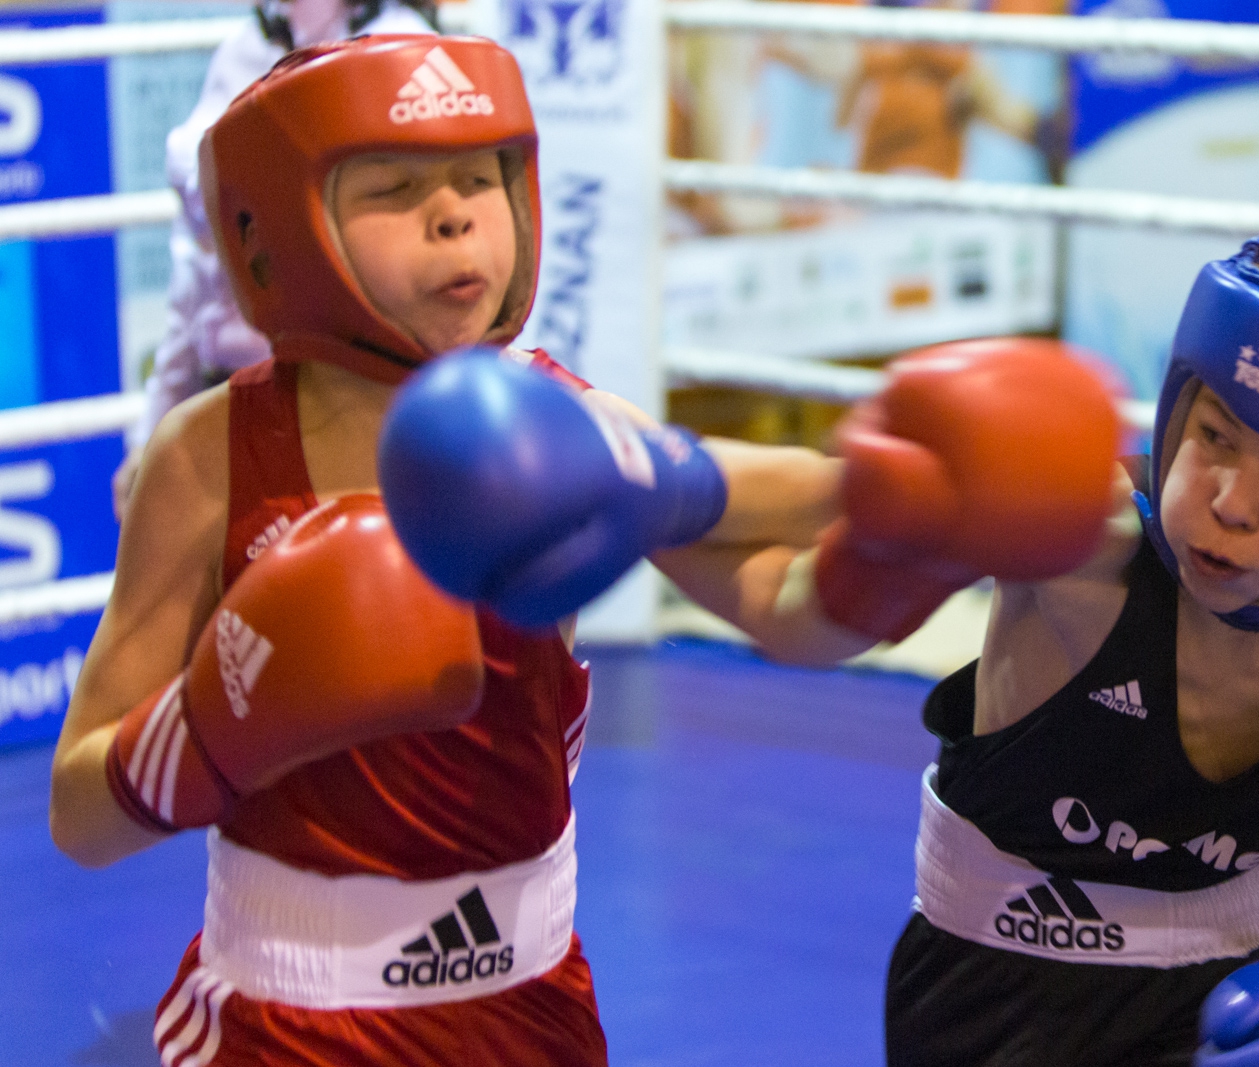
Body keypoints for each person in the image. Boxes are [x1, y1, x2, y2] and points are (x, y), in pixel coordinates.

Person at [383, 233, 1259, 1067]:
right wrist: (648, 477)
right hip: (998, 1001)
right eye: (1214, 437)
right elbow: (852, 514)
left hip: (1234, 992)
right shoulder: (1086, 545)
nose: (1231, 500)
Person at [48, 33, 847, 1065]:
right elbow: (79, 815)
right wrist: (214, 728)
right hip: (278, 1022)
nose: (454, 214)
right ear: (275, 233)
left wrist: (909, 527)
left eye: (479, 178)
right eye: (393, 186)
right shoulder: (213, 458)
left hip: (530, 1010)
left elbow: (784, 607)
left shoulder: (557, 427)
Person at [112, 0, 438, 520]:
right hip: (232, 395)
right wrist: (154, 430)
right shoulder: (242, 50)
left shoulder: (408, 52)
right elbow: (200, 268)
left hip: (354, 401)